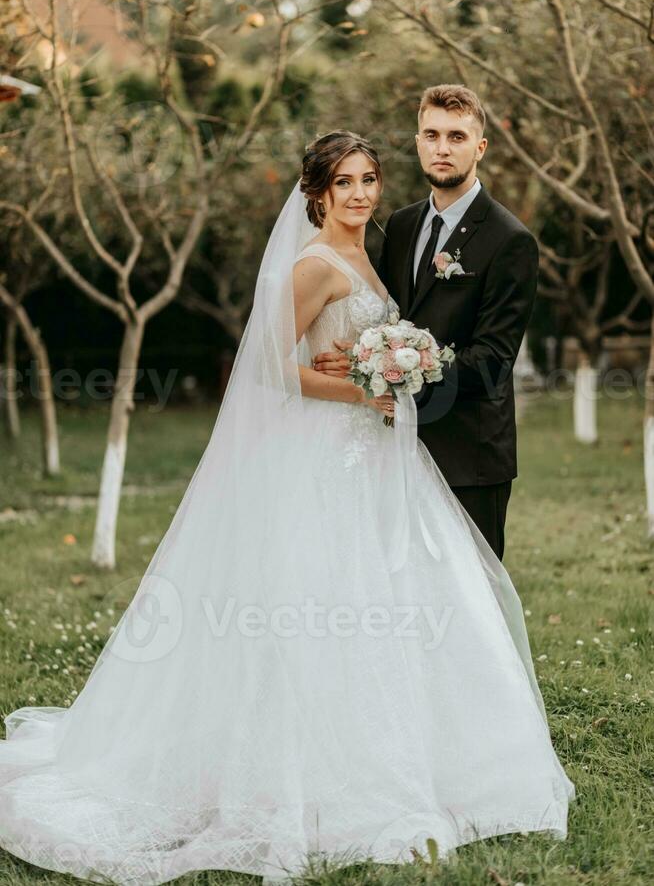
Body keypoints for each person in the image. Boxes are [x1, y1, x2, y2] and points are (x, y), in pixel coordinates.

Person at [0, 131, 574, 886]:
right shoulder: (314, 264)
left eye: (370, 179)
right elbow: (268, 369)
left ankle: (443, 758)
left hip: (379, 458)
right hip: (327, 458)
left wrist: (395, 368)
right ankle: (307, 777)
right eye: (345, 183)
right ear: (317, 193)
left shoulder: (379, 252)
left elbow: (388, 339)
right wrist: (366, 387)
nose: (362, 194)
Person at [314, 85, 539, 561]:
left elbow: (493, 362)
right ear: (417, 142)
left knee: (472, 599)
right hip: (392, 448)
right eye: (431, 134)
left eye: (456, 136)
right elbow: (390, 316)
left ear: (479, 147)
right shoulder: (400, 225)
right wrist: (358, 360)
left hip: (468, 455)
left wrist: (397, 375)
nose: (442, 147)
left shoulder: (509, 240)